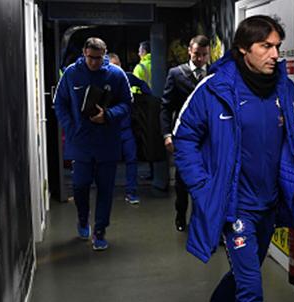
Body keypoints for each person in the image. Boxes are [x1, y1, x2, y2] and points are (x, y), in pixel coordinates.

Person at [172, 16, 294, 302]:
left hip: (267, 204)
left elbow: (288, 143)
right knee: (252, 289)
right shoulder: (215, 88)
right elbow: (184, 136)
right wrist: (203, 185)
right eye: (267, 47)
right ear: (244, 50)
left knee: (244, 274)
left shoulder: (285, 89)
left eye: (278, 46)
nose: (276, 55)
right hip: (235, 206)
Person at [54, 38, 132, 250]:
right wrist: (70, 128)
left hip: (107, 141)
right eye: (91, 58)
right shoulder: (71, 73)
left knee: (106, 189)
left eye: (99, 58)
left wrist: (107, 115)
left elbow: (127, 103)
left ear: (104, 54)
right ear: (84, 53)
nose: (95, 63)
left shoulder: (116, 75)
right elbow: (59, 102)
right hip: (80, 142)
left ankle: (100, 231)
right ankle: (82, 218)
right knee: (80, 186)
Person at [161, 35, 211, 232]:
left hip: (209, 138)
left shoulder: (214, 74)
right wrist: (166, 134)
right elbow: (165, 107)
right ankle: (181, 215)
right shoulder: (176, 74)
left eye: (204, 55)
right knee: (183, 182)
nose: (200, 59)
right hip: (184, 137)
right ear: (190, 51)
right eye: (197, 54)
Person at [108, 53, 152, 205]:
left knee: (131, 159)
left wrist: (145, 102)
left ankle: (131, 192)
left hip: (125, 129)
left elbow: (143, 85)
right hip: (108, 130)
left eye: (118, 65)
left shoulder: (126, 77)